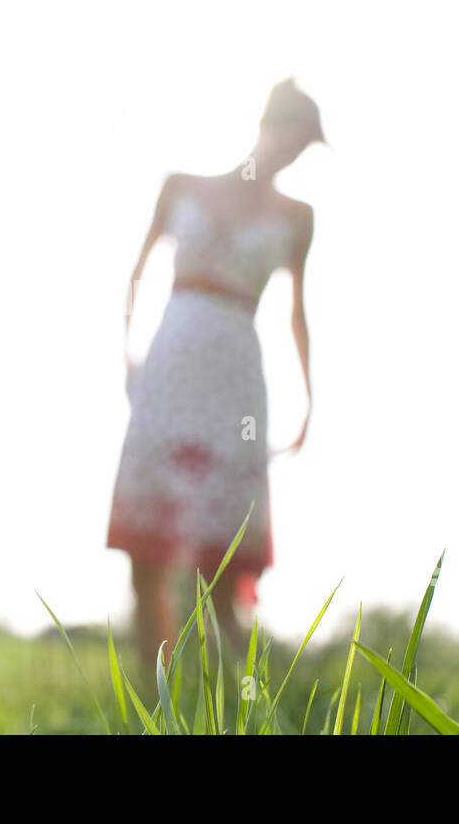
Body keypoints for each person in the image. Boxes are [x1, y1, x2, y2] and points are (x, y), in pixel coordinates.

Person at [109, 77, 324, 667]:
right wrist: (125, 350)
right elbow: (136, 271)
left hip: (235, 378)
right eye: (290, 134)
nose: (292, 150)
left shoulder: (298, 219)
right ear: (264, 124)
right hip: (169, 364)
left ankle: (236, 699)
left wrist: (309, 400)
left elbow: (296, 310)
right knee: (147, 551)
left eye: (304, 145)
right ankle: (154, 700)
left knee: (222, 554)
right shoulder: (181, 187)